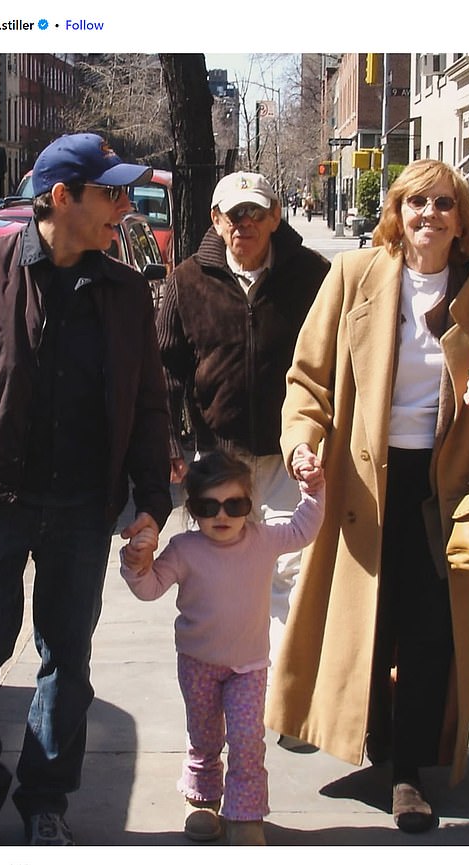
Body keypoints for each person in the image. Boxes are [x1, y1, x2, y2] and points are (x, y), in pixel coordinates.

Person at [0, 132, 173, 845]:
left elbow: (149, 400)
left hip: (82, 508)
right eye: (111, 194)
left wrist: (152, 501)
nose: (123, 207)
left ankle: (45, 802)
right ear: (61, 198)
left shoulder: (125, 291)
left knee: (68, 655)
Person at [265, 159, 469, 833]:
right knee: (369, 621)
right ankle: (368, 736)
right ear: (397, 210)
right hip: (366, 482)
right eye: (416, 202)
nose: (429, 215)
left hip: (447, 487)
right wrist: (303, 440)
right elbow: (308, 377)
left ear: (461, 216)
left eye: (444, 203)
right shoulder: (354, 277)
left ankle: (408, 769)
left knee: (429, 630)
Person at [156, 170, 329, 661]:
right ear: (216, 219)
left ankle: (281, 688)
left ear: (275, 217)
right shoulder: (187, 280)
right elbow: (166, 369)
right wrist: (171, 442)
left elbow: (336, 359)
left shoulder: (310, 274)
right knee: (224, 571)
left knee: (290, 569)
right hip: (218, 457)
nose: (245, 224)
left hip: (289, 455)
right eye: (235, 214)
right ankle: (234, 668)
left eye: (256, 212)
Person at [120, 449, 324, 845]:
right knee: (204, 736)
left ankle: (245, 813)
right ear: (192, 509)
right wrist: (137, 561)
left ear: (250, 505)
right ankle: (203, 799)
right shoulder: (184, 549)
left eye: (235, 504)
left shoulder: (263, 539)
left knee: (248, 739)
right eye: (208, 506)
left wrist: (313, 489)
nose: (222, 515)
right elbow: (149, 588)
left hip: (249, 666)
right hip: (198, 664)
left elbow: (303, 529)